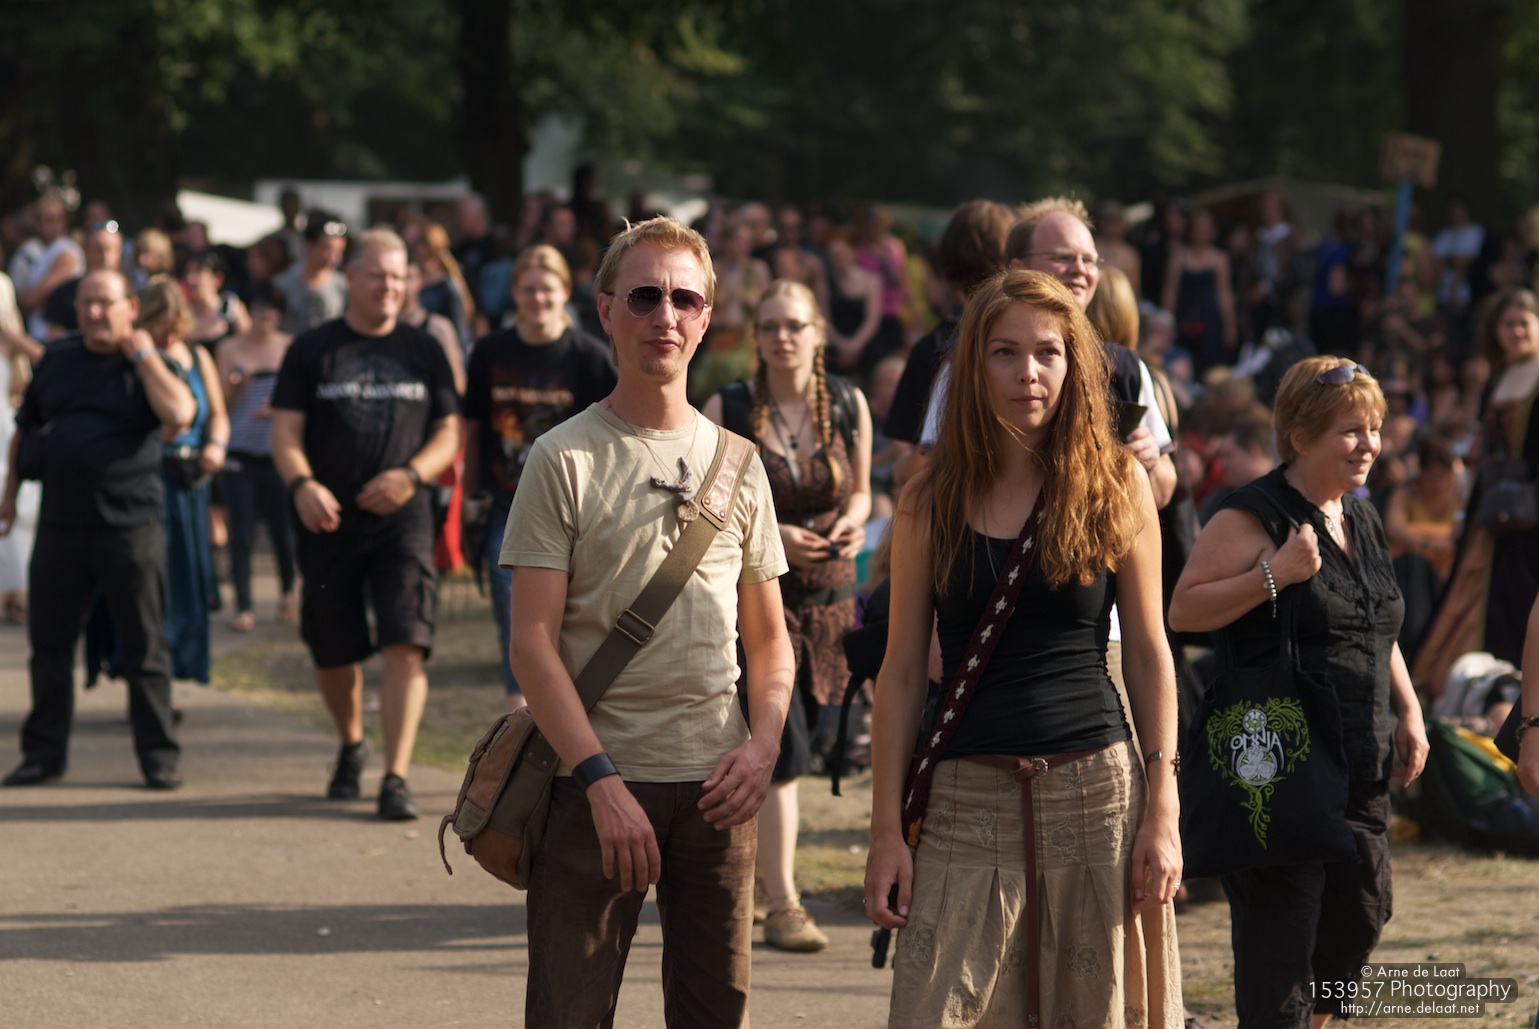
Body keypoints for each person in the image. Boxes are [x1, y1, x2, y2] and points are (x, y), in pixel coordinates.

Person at [865, 269, 1182, 1027]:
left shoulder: (1117, 482)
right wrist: (884, 833)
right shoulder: (927, 497)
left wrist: (1164, 806)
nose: (1027, 373)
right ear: (974, 366)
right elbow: (901, 673)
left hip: (1098, 797)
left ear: (1075, 365)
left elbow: (1147, 652)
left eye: (1047, 352)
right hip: (963, 800)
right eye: (1004, 352)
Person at [503, 216, 793, 1027]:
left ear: (706, 318)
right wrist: (601, 781)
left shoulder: (739, 462)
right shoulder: (561, 456)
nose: (664, 315)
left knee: (715, 1013)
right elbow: (531, 643)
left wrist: (763, 744)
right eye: (643, 296)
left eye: (683, 299)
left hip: (719, 789)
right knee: (569, 1013)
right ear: (605, 310)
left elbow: (770, 641)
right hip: (590, 785)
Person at [1169, 356, 1429, 1029]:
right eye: (1350, 430)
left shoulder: (1361, 517)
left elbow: (1376, 622)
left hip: (1359, 760)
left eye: (1374, 428)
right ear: (1300, 436)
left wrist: (1408, 709)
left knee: (1360, 917)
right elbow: (1184, 610)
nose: (1368, 444)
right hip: (1279, 767)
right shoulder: (1251, 514)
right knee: (1280, 948)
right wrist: (1273, 575)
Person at [703, 280, 874, 953]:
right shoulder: (729, 407)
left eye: (794, 325)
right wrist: (772, 532)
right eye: (770, 326)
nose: (782, 337)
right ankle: (783, 902)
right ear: (756, 337)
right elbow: (707, 507)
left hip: (829, 605)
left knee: (797, 745)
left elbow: (862, 491)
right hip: (755, 602)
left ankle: (741, 881)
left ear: (818, 333)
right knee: (781, 752)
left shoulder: (849, 404)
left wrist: (854, 523)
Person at [270, 230, 461, 821]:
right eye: (377, 274)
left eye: (399, 276)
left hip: (404, 520)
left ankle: (395, 776)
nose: (389, 286)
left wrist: (411, 475)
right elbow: (284, 431)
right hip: (327, 519)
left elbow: (449, 431)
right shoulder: (311, 349)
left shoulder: (424, 349)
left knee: (406, 643)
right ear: (348, 276)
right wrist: (303, 485)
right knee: (332, 649)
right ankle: (352, 743)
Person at [0, 269, 197, 788]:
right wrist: (10, 496)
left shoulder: (149, 361)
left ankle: (158, 757)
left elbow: (180, 414)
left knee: (145, 648)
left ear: (130, 307)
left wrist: (145, 355)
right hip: (61, 525)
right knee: (49, 648)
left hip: (131, 526)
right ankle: (43, 755)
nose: (93, 313)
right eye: (86, 303)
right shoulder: (57, 359)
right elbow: (25, 430)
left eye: (105, 303)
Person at [462, 244, 615, 708]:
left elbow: (612, 433)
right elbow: (474, 429)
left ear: (565, 291)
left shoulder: (589, 356)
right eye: (528, 290)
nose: (537, 299)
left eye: (547, 289)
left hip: (575, 508)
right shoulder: (489, 352)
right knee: (514, 611)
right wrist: (469, 495)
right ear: (514, 293)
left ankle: (568, 710)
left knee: (573, 612)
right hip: (504, 505)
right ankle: (522, 715)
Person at [1415, 289, 1539, 697]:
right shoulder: (1499, 378)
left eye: (1524, 323)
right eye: (1508, 324)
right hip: (1494, 499)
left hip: (1530, 505)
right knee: (1481, 587)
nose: (1517, 331)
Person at [138, 278, 228, 683]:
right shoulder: (142, 359)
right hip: (154, 477)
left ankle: (181, 666)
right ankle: (154, 676)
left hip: (192, 482)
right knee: (157, 580)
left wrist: (216, 447)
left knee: (189, 581)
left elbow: (218, 414)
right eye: (165, 327)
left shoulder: (198, 356)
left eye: (177, 326)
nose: (172, 336)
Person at [216, 283, 298, 631]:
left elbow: (299, 402)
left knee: (283, 530)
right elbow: (219, 403)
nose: (266, 316)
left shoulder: (290, 347)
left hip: (278, 451)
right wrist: (237, 386)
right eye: (261, 308)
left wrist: (276, 409)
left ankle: (288, 594)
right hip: (239, 450)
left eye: (273, 310)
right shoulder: (229, 347)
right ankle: (244, 606)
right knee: (242, 532)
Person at [1160, 208, 1236, 376]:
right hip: (1184, 316)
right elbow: (1170, 291)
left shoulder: (1220, 258)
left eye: (1205, 228)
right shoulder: (1178, 257)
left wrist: (1230, 325)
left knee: (1213, 364)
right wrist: (1166, 322)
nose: (1201, 233)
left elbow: (1225, 294)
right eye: (1197, 228)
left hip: (1211, 318)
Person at [41, 221, 123, 340]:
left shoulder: (133, 291)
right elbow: (55, 341)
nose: (105, 257)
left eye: (110, 249)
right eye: (98, 249)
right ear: (86, 251)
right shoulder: (63, 294)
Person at [16, 196, 83, 341]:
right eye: (39, 218)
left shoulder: (66, 253)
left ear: (63, 221)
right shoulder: (44, 250)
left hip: (53, 339)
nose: (44, 224)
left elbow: (31, 300)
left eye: (50, 219)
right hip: (39, 335)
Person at [272, 214, 348, 337]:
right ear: (309, 246)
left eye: (339, 251)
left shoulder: (343, 285)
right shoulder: (281, 285)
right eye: (328, 249)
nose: (334, 257)